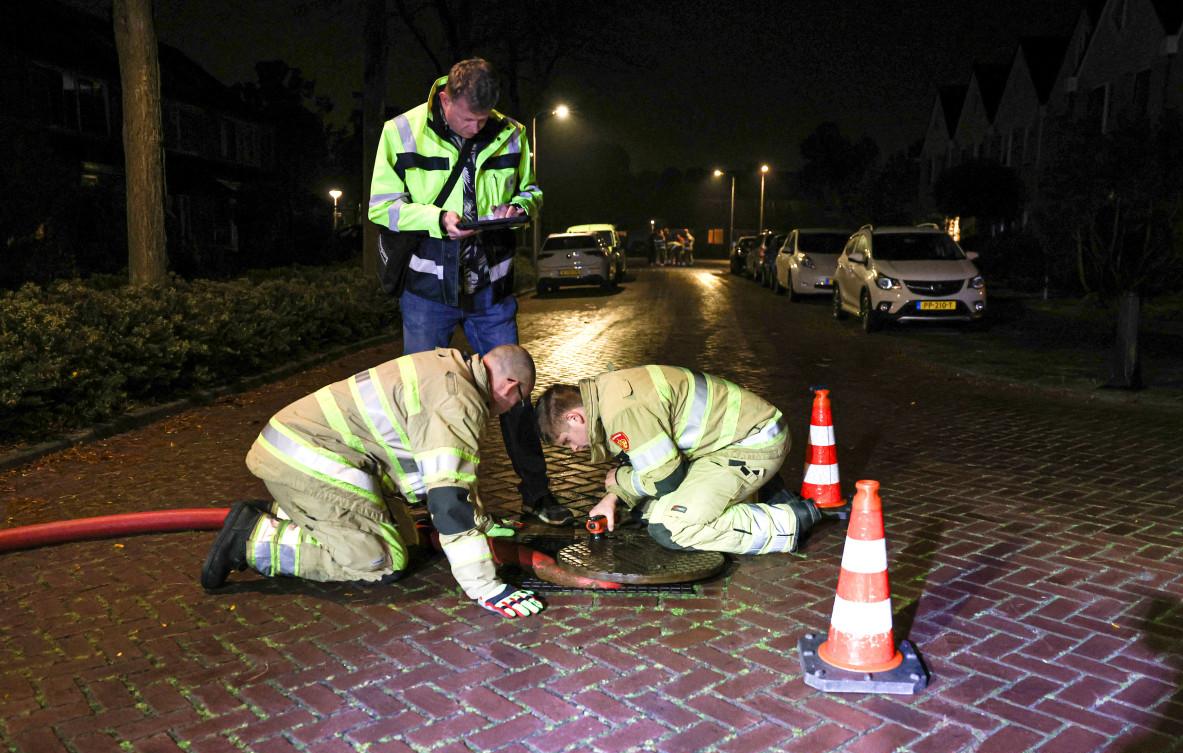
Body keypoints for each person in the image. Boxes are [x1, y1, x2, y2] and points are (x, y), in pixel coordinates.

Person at [366, 57, 571, 527]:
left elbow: (533, 191)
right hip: (426, 290)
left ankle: (537, 495)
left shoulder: (512, 133)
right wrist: (437, 220)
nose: (476, 128)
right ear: (444, 99)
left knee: (514, 393)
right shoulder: (400, 131)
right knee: (420, 398)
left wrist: (517, 207)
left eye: (483, 120)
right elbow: (381, 206)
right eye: (467, 119)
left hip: (490, 292)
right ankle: (424, 501)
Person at [200, 345, 545, 619]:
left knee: (408, 539)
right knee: (381, 561)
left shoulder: (446, 368)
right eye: (517, 401)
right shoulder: (459, 402)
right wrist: (486, 587)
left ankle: (290, 512)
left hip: (302, 454)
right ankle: (251, 537)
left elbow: (453, 475)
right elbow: (448, 501)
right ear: (510, 386)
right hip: (307, 463)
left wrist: (483, 524)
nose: (510, 409)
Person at [535, 366, 824, 555]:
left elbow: (666, 479)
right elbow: (649, 460)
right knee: (647, 510)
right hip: (729, 443)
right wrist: (615, 496)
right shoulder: (606, 392)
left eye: (567, 440)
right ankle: (767, 491)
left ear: (575, 417)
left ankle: (788, 520)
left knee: (671, 527)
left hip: (751, 444)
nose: (574, 449)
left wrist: (622, 482)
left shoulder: (621, 412)